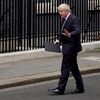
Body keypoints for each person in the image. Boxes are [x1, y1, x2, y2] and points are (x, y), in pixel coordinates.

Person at [48, 3, 84, 95]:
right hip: (68, 47)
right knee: (74, 69)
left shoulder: (73, 19)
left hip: (71, 48)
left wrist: (70, 34)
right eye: (59, 11)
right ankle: (80, 87)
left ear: (67, 11)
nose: (59, 13)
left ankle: (60, 89)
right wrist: (58, 40)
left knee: (65, 68)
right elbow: (63, 32)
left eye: (61, 11)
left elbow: (77, 30)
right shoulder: (65, 19)